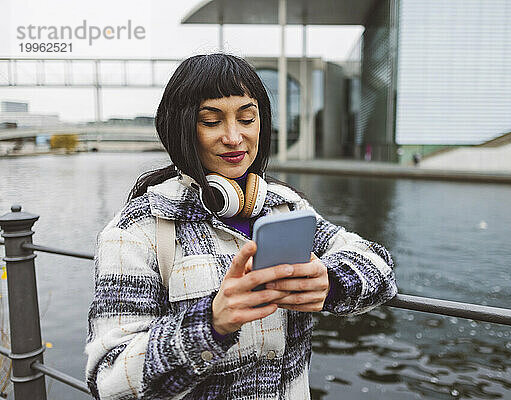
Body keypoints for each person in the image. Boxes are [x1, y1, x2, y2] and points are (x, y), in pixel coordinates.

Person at [85, 53, 398, 399]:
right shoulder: (135, 231)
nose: (234, 137)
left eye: (247, 118)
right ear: (181, 127)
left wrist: (331, 282)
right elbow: (109, 382)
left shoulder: (284, 206)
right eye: (211, 121)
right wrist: (210, 324)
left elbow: (378, 265)